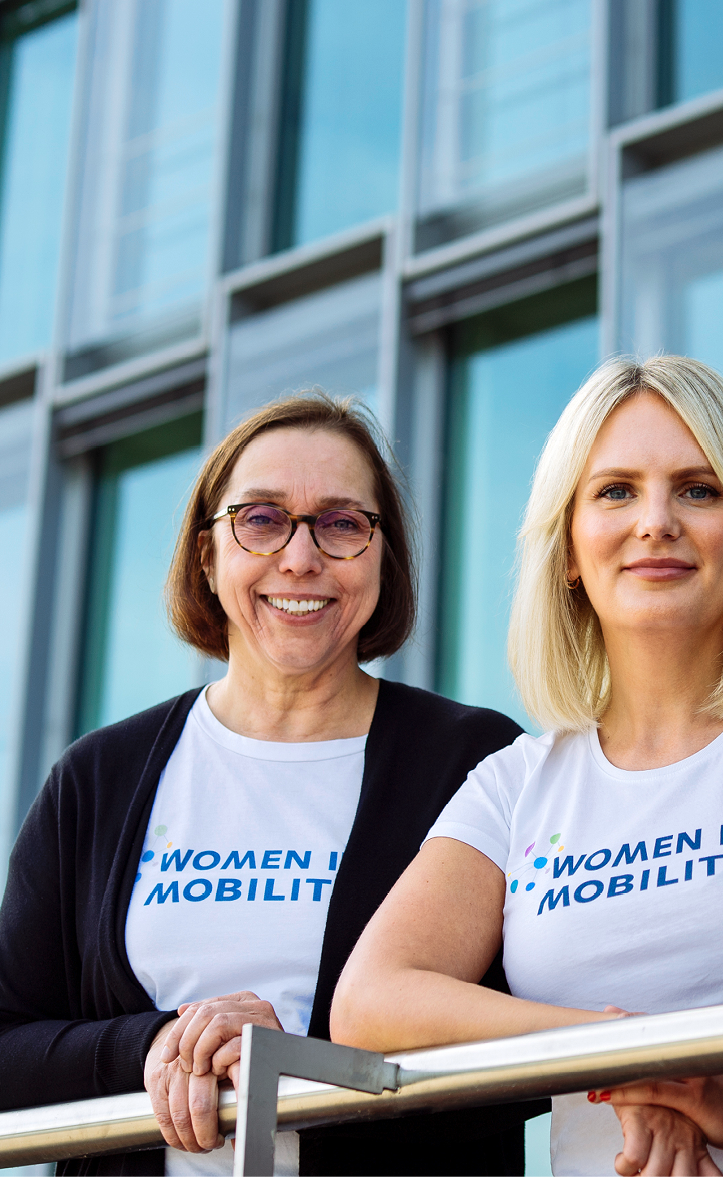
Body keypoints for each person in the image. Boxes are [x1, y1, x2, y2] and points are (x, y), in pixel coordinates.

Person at [332, 356, 723, 1177]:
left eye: (698, 489)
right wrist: (618, 1051)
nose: (655, 521)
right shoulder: (514, 781)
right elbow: (370, 1001)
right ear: (567, 548)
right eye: (614, 491)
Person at [0, 394, 542, 1177]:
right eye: (261, 519)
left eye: (341, 522)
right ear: (206, 556)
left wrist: (305, 1067)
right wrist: (154, 1043)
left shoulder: (476, 760)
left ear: (382, 556)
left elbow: (532, 1048)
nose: (299, 558)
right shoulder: (97, 778)